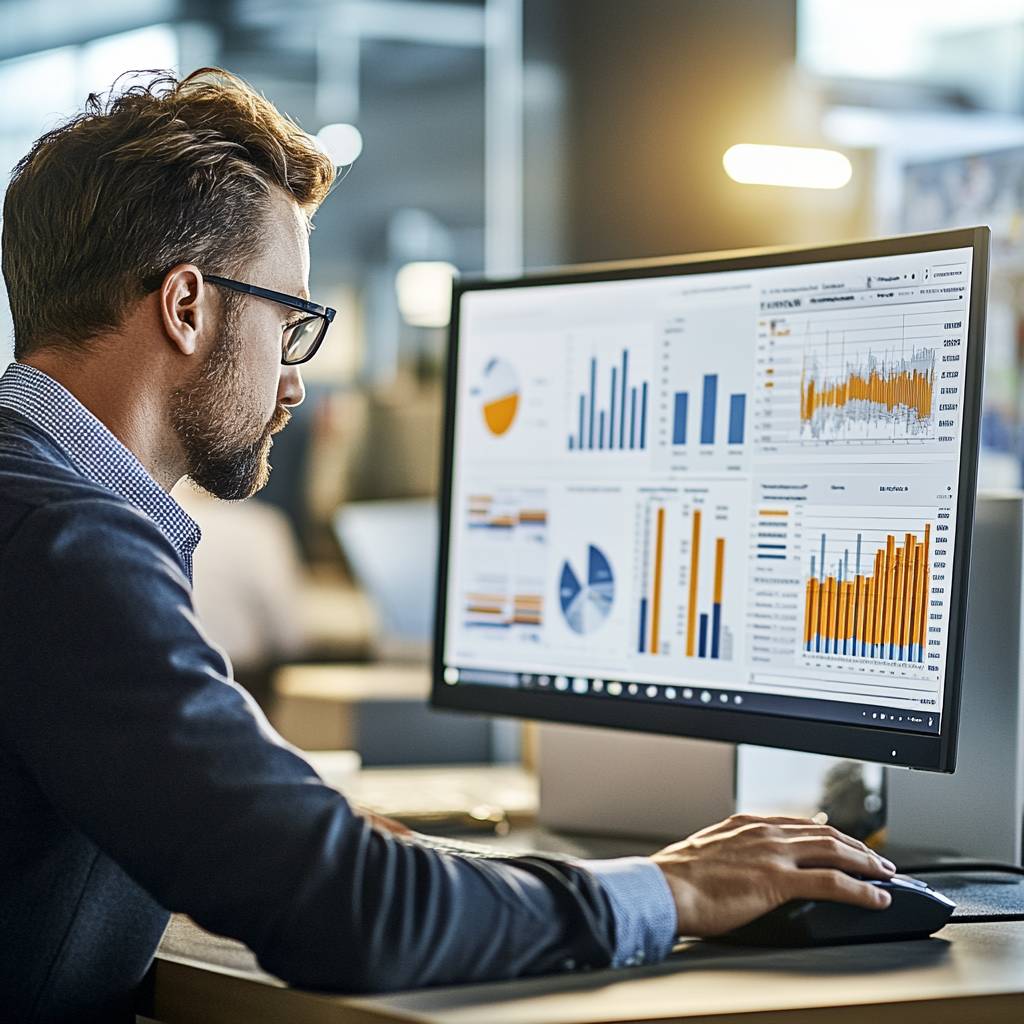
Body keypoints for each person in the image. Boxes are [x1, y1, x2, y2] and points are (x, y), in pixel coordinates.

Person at [0, 68, 896, 1024]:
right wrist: (676, 890)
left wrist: (303, 827)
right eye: (290, 322)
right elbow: (352, 913)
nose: (294, 384)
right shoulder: (66, 542)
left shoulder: (33, 497)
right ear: (186, 306)